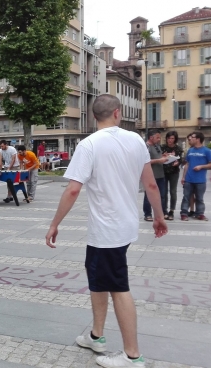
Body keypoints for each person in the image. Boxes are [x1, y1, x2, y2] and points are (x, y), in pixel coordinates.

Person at [45, 94, 167, 367]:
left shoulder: (88, 145)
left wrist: (55, 224)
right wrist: (158, 216)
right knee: (98, 275)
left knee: (117, 286)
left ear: (93, 116)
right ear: (117, 113)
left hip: (107, 229)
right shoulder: (136, 140)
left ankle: (132, 355)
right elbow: (151, 186)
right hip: (123, 225)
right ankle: (96, 335)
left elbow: (73, 188)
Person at [180, 131, 211, 221]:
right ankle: (184, 213)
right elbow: (187, 164)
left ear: (198, 139)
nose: (190, 139)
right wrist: (183, 177)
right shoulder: (190, 150)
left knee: (199, 198)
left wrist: (201, 166)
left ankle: (200, 213)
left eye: (192, 137)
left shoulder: (207, 151)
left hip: (200, 180)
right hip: (189, 179)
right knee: (186, 197)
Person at [142, 130, 168, 222]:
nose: (159, 139)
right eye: (157, 137)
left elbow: (159, 156)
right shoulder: (146, 147)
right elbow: (146, 161)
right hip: (151, 175)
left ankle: (162, 213)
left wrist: (166, 156)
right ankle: (147, 214)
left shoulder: (157, 146)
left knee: (162, 195)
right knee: (149, 195)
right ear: (151, 137)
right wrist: (159, 160)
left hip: (160, 174)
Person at [161, 131, 184, 221]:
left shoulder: (178, 148)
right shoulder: (163, 147)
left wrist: (178, 162)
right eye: (169, 138)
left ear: (175, 139)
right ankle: (164, 210)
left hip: (174, 172)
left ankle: (172, 210)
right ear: (166, 139)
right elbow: (159, 157)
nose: (170, 140)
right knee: (164, 192)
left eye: (172, 138)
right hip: (164, 171)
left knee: (173, 191)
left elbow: (181, 159)